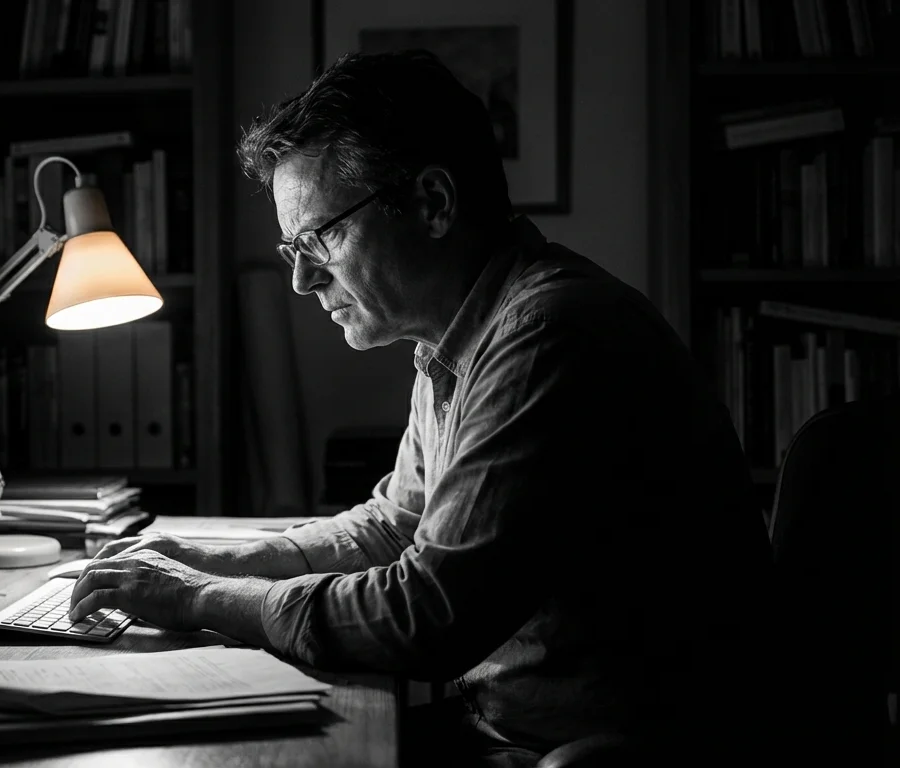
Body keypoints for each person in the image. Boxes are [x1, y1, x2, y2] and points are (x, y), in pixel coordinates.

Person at [68, 49, 782, 765]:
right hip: (508, 732)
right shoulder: (459, 333)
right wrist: (218, 560)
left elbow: (425, 614)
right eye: (292, 247)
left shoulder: (546, 335)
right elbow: (394, 525)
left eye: (319, 237)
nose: (300, 279)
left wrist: (200, 599)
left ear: (433, 204)